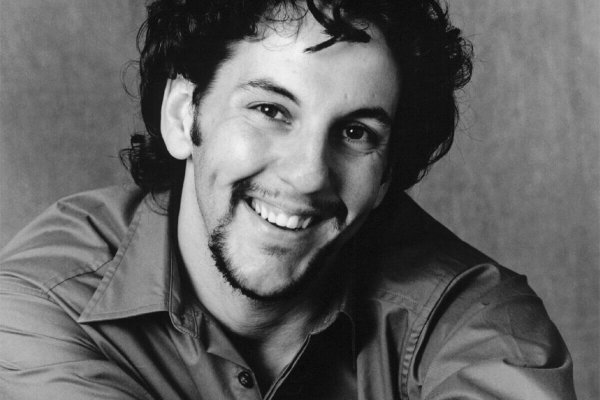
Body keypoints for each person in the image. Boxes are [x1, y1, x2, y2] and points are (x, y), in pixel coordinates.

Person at [0, 0, 576, 399]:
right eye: (270, 110)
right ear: (181, 116)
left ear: (386, 177)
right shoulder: (43, 300)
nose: (307, 175)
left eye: (356, 132)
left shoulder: (475, 319)